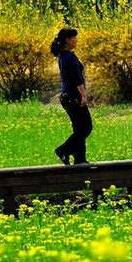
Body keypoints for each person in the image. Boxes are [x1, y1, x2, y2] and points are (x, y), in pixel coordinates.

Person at [51, 28, 92, 165]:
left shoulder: (63, 56)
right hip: (74, 96)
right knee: (86, 127)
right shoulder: (70, 56)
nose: (76, 40)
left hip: (66, 96)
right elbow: (76, 78)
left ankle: (80, 159)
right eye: (74, 38)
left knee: (79, 129)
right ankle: (63, 150)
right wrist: (83, 95)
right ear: (67, 40)